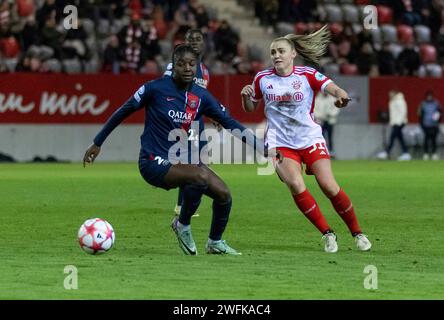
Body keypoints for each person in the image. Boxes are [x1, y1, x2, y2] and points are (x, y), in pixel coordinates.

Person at [83, 44, 258, 256]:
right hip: (152, 161)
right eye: (181, 64)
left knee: (224, 194)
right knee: (200, 176)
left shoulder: (201, 96)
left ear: (197, 68)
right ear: (172, 66)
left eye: (192, 64)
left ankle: (214, 242)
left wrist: (260, 147)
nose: (187, 68)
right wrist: (98, 142)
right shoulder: (154, 88)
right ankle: (182, 225)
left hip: (181, 161)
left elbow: (230, 123)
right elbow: (122, 111)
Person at [240, 25, 372, 253]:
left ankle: (358, 233)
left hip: (309, 139)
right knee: (295, 183)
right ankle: (328, 234)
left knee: (329, 187)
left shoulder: (307, 74)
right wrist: (246, 98)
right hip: (280, 143)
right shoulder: (262, 78)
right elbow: (251, 108)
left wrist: (341, 97)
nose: (276, 56)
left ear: (293, 54)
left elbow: (334, 89)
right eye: (273, 52)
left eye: (281, 51)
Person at [164, 28, 211, 218]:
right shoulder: (174, 66)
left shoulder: (205, 71)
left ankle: (182, 204)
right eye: (190, 39)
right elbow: (166, 90)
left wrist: (213, 115)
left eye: (198, 39)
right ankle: (182, 205)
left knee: (198, 161)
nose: (194, 42)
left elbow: (202, 99)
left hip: (196, 124)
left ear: (203, 43)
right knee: (190, 163)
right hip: (180, 122)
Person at [377, 90, 411, 161]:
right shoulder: (393, 101)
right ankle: (406, 153)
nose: (390, 95)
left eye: (391, 94)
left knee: (392, 137)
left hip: (399, 123)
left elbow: (403, 112)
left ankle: (387, 152)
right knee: (400, 138)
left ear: (395, 94)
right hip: (395, 122)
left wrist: (399, 122)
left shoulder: (400, 101)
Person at [314, 91, 340, 158]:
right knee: (321, 137)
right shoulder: (317, 99)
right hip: (321, 121)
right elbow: (314, 110)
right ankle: (322, 152)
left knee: (330, 137)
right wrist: (320, 116)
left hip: (330, 120)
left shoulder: (332, 99)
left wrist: (330, 114)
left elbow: (336, 108)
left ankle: (331, 152)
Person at [418, 91, 442, 160]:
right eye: (428, 96)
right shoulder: (423, 104)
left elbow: (440, 112)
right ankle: (426, 153)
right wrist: (421, 124)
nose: (429, 97)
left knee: (434, 140)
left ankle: (434, 153)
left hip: (434, 125)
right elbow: (420, 115)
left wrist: (437, 121)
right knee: (426, 139)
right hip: (426, 125)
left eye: (430, 96)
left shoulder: (436, 103)